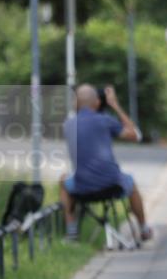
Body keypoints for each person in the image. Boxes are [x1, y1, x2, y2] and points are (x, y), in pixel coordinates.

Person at [60, 84, 153, 242]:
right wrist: (114, 105)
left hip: (82, 187)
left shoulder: (68, 125)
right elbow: (136, 135)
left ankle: (71, 232)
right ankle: (144, 228)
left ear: (75, 103)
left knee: (63, 180)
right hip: (112, 185)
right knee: (131, 182)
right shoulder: (105, 120)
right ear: (97, 102)